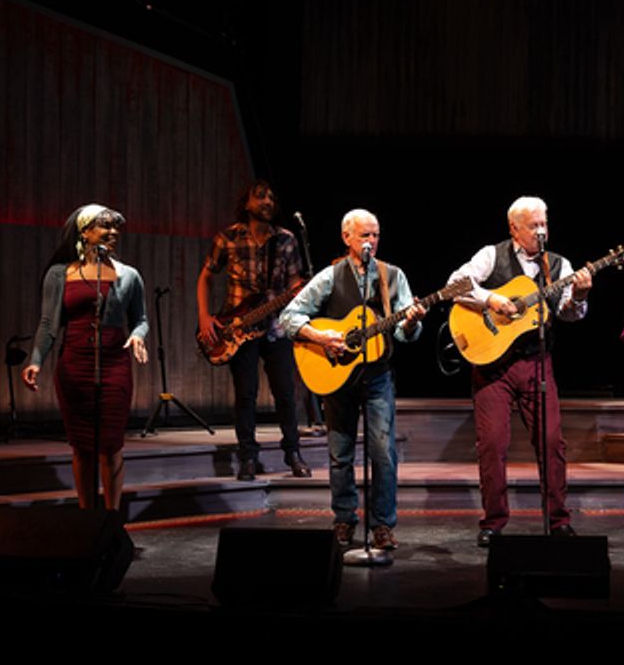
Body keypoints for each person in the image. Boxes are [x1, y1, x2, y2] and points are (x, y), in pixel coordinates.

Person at [449, 196, 591, 546]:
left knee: (552, 443)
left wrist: (580, 297)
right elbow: (455, 285)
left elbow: (567, 313)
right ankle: (493, 521)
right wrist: (492, 300)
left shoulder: (559, 265)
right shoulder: (491, 255)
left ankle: (558, 520)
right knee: (493, 444)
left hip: (536, 362)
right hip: (493, 366)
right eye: (534, 226)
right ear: (514, 228)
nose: (542, 231)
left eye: (545, 224)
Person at [281, 209, 425, 549]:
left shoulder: (393, 276)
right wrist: (322, 339)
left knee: (383, 453)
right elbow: (289, 317)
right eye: (364, 236)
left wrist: (411, 322)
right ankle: (344, 519)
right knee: (340, 453)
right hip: (338, 378)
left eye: (375, 235)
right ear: (347, 238)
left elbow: (407, 334)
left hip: (377, 377)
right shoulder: (330, 277)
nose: (371, 242)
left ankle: (382, 525)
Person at [22, 204, 149, 510]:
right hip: (74, 365)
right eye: (105, 226)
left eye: (116, 227)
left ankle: (112, 517)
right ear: (85, 231)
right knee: (82, 447)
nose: (113, 232)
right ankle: (86, 517)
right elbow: (49, 324)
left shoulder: (128, 275)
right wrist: (36, 360)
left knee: (110, 444)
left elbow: (141, 319)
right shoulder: (59, 273)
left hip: (114, 365)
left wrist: (137, 336)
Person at [197, 180, 311, 480]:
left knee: (286, 394)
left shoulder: (286, 240)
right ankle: (247, 457)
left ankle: (293, 454)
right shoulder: (229, 237)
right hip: (238, 330)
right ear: (246, 203)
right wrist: (205, 317)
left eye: (272, 197)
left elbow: (294, 284)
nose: (267, 201)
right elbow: (206, 276)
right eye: (260, 196)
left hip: (276, 328)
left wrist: (300, 294)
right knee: (245, 396)